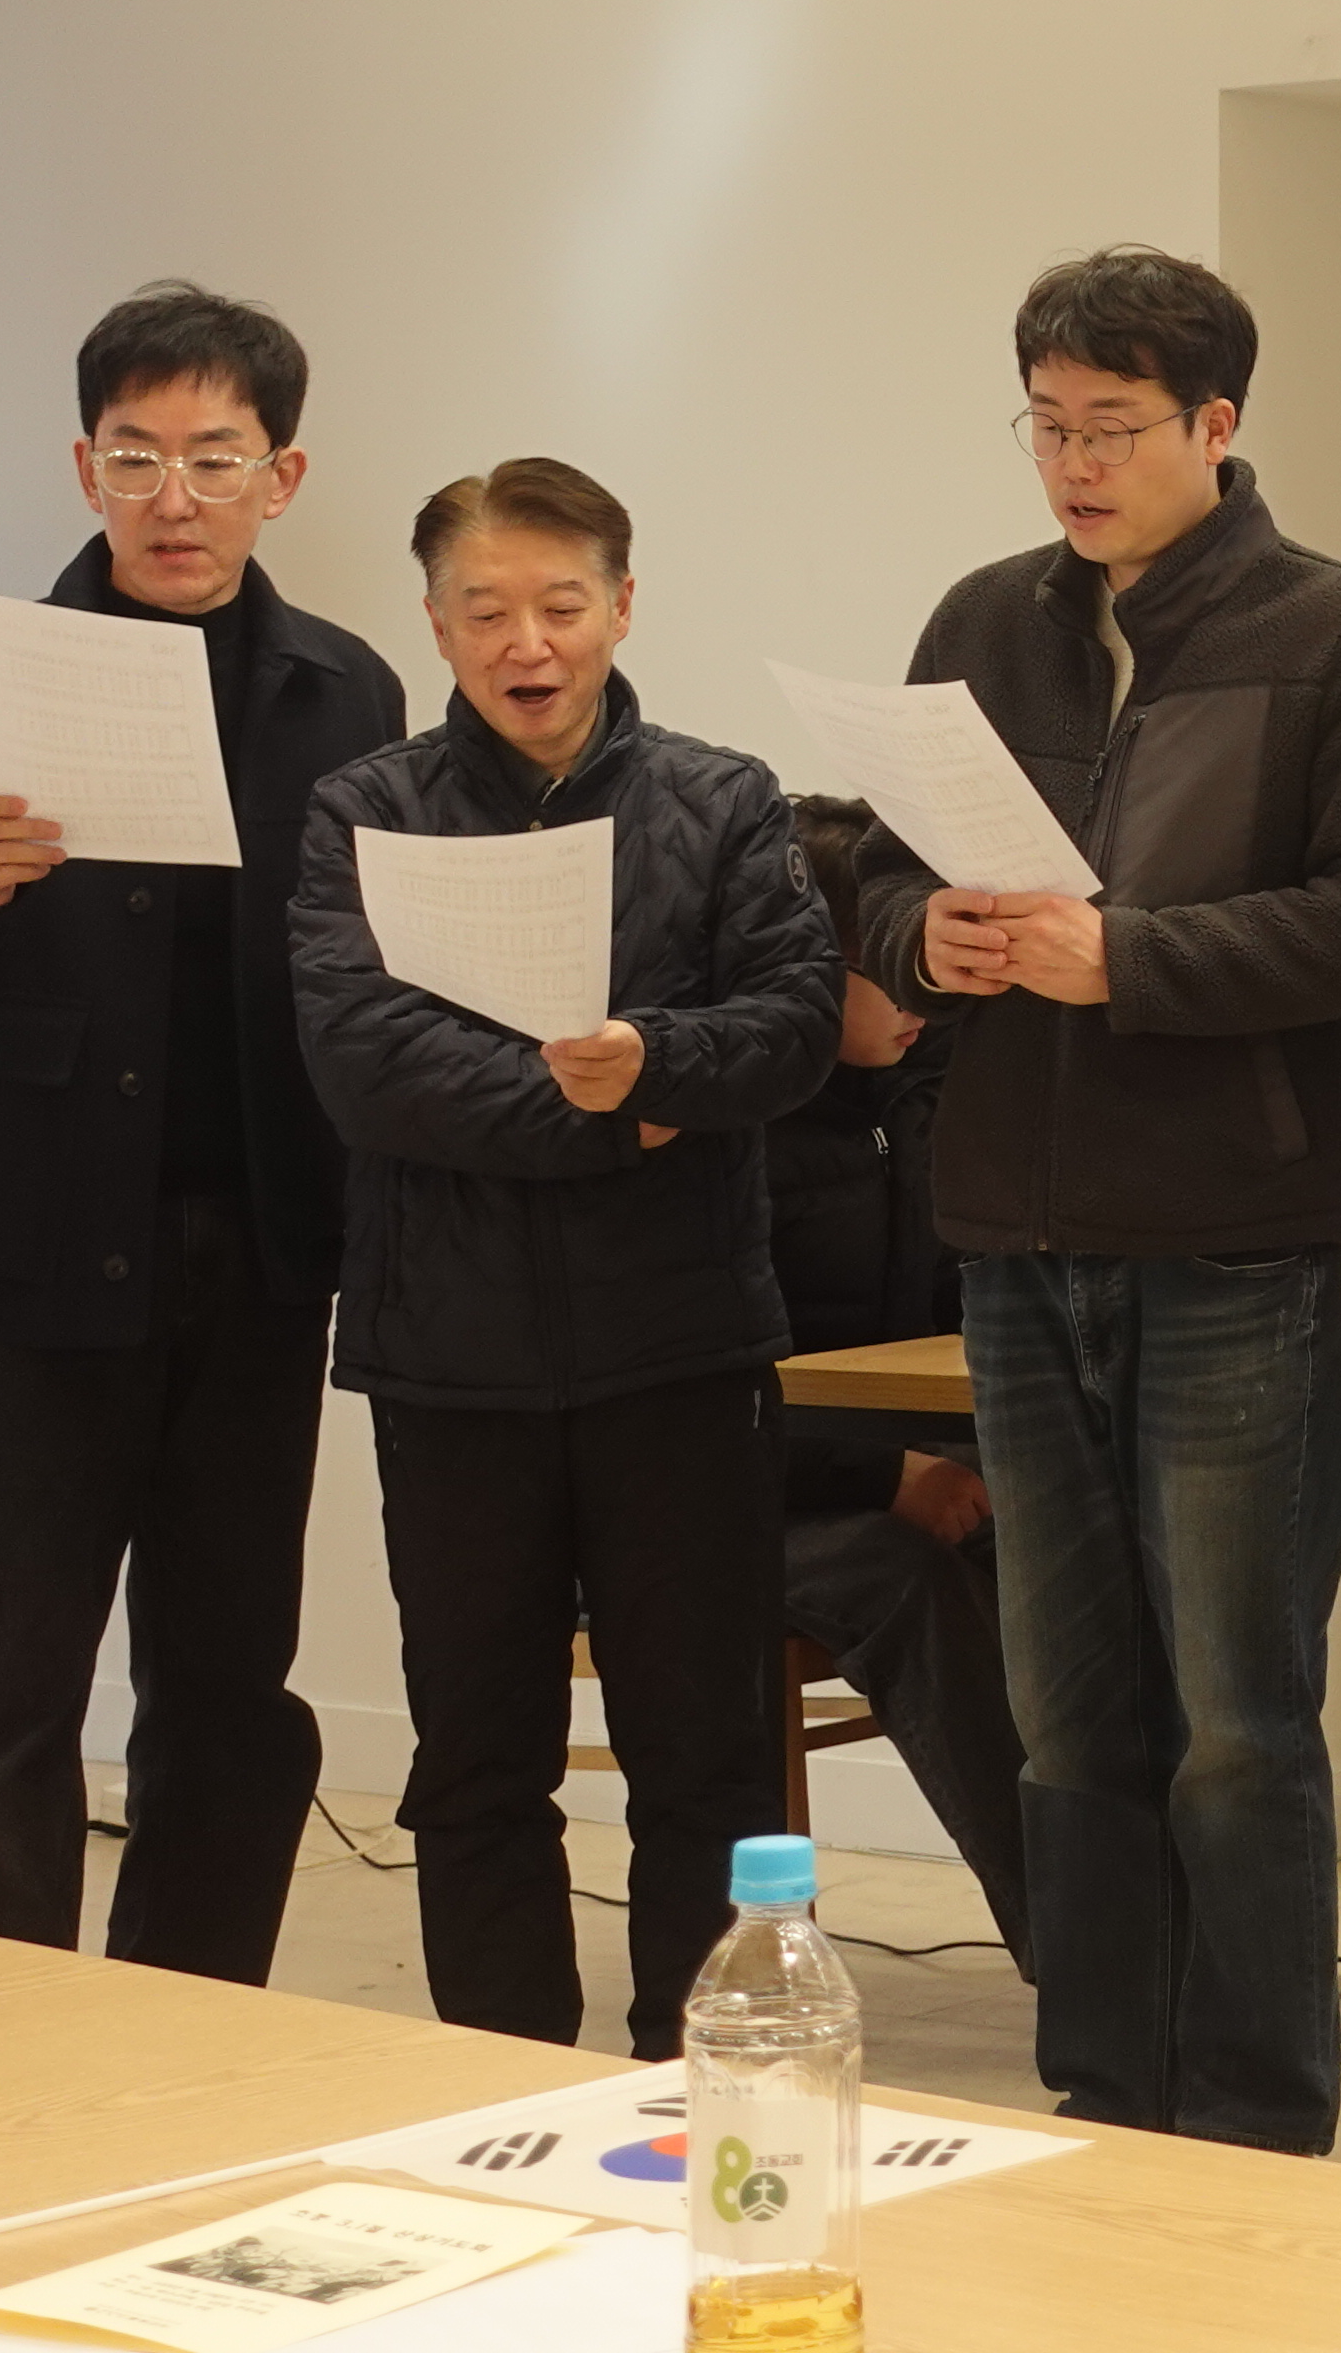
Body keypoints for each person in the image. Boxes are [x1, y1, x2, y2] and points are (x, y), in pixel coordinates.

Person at [845, 247, 1341, 2154]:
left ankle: (1260, 2121)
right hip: (1016, 1242)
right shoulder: (982, 620)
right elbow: (877, 873)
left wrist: (1135, 958)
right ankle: (1098, 2100)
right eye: (1045, 424)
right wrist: (926, 936)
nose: (1072, 464)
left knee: (1237, 1724)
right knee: (1068, 1717)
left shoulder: (1339, 631)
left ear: (1216, 422)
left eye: (1110, 427)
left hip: (1232, 1243)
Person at [0, 284, 408, 1977]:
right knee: (5, 1693)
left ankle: (191, 2026)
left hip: (258, 1255)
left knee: (225, 1689)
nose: (174, 497)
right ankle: (4, 2032)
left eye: (215, 458)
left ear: (281, 477)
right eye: (137, 456)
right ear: (87, 466)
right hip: (19, 1258)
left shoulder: (347, 694)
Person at [293, 459, 838, 2057]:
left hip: (681, 1348)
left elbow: (796, 1024)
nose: (525, 644)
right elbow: (365, 1065)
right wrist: (617, 1117)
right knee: (476, 1754)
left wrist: (658, 1057)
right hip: (449, 1356)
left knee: (705, 1753)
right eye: (486, 611)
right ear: (436, 625)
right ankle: (502, 2071)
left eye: (559, 605)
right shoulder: (366, 809)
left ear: (621, 604)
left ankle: (699, 2066)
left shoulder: (724, 800)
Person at [770, 793, 1028, 1967]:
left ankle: (1194, 1942)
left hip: (890, 1468)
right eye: (890, 960)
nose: (922, 991)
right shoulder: (722, 1126)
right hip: (728, 1509)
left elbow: (950, 1315)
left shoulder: (911, 1100)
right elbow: (701, 1393)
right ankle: (1096, 1959)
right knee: (907, 1579)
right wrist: (888, 1478)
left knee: (1089, 1547)